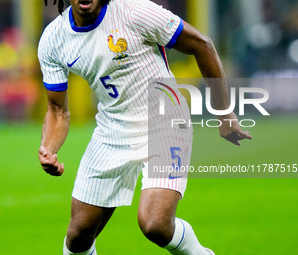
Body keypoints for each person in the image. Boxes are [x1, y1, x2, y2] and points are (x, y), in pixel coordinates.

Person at [38, 0, 253, 254]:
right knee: (78, 237)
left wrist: (224, 111)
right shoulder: (54, 39)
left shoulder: (134, 11)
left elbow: (201, 44)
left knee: (155, 224)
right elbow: (57, 110)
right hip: (112, 131)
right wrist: (48, 149)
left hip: (164, 121)